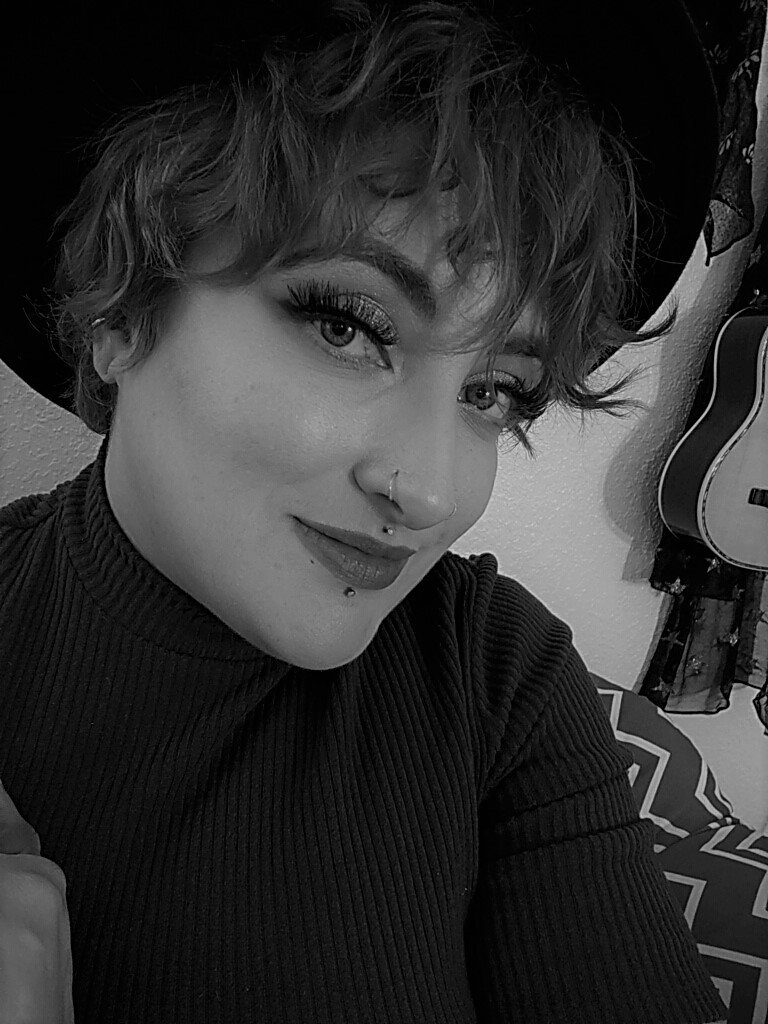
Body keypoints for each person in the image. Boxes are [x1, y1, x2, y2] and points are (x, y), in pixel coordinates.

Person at [0, 1, 730, 1021]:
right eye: (349, 326)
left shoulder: (493, 676)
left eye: (495, 390)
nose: (430, 491)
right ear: (122, 308)